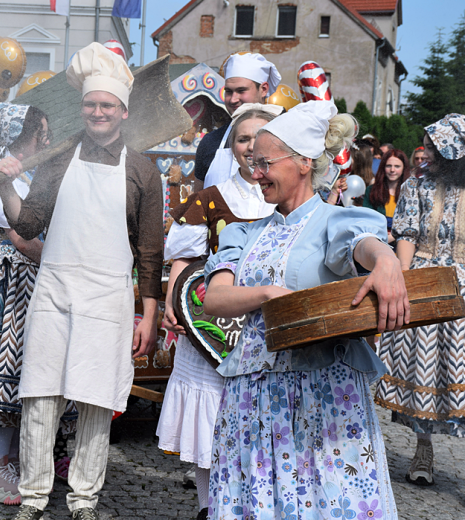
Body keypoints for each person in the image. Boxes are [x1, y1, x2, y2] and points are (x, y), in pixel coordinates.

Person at [202, 101, 404, 520]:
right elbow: (214, 299)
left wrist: (385, 260)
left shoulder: (333, 220)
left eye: (265, 163)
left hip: (322, 392)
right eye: (252, 163)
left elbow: (361, 243)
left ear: (304, 163)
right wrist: (267, 295)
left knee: (326, 495)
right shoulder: (243, 231)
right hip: (253, 395)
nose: (255, 174)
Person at [0, 42, 163, 520]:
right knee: (41, 395)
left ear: (123, 112)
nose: (97, 112)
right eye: (90, 104)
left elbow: (150, 253)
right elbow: (27, 224)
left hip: (109, 293)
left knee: (95, 398)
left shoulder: (144, 172)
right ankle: (33, 497)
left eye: (106, 105)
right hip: (55, 290)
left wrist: (147, 315)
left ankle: (84, 498)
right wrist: (6, 182)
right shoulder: (58, 158)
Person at [157, 103, 279, 520]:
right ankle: (209, 507)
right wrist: (174, 302)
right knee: (210, 419)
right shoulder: (209, 200)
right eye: (243, 138)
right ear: (232, 145)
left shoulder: (287, 200)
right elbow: (185, 259)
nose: (251, 147)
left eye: (259, 139)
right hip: (210, 325)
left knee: (258, 421)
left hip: (264, 328)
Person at [0, 102, 74, 505]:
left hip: (26, 280)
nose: (45, 136)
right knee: (2, 372)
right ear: (20, 136)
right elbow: (22, 239)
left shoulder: (27, 174)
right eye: (39, 131)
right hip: (10, 281)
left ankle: (24, 460)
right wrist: (65, 267)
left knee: (24, 373)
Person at [374, 114, 465, 486]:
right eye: (429, 145)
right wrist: (404, 282)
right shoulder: (416, 187)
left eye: (437, 147)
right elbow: (406, 233)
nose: (429, 152)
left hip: (464, 284)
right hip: (427, 280)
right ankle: (423, 449)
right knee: (423, 371)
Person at [194, 53, 281, 190]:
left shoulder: (283, 139)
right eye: (228, 91)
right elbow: (197, 201)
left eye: (241, 91)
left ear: (263, 89)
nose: (233, 99)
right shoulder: (210, 142)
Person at [363, 149, 411, 241]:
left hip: (402, 243)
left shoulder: (411, 193)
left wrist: (394, 236)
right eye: (389, 166)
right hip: (376, 241)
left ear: (404, 168)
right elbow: (366, 220)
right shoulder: (371, 190)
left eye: (397, 166)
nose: (392, 170)